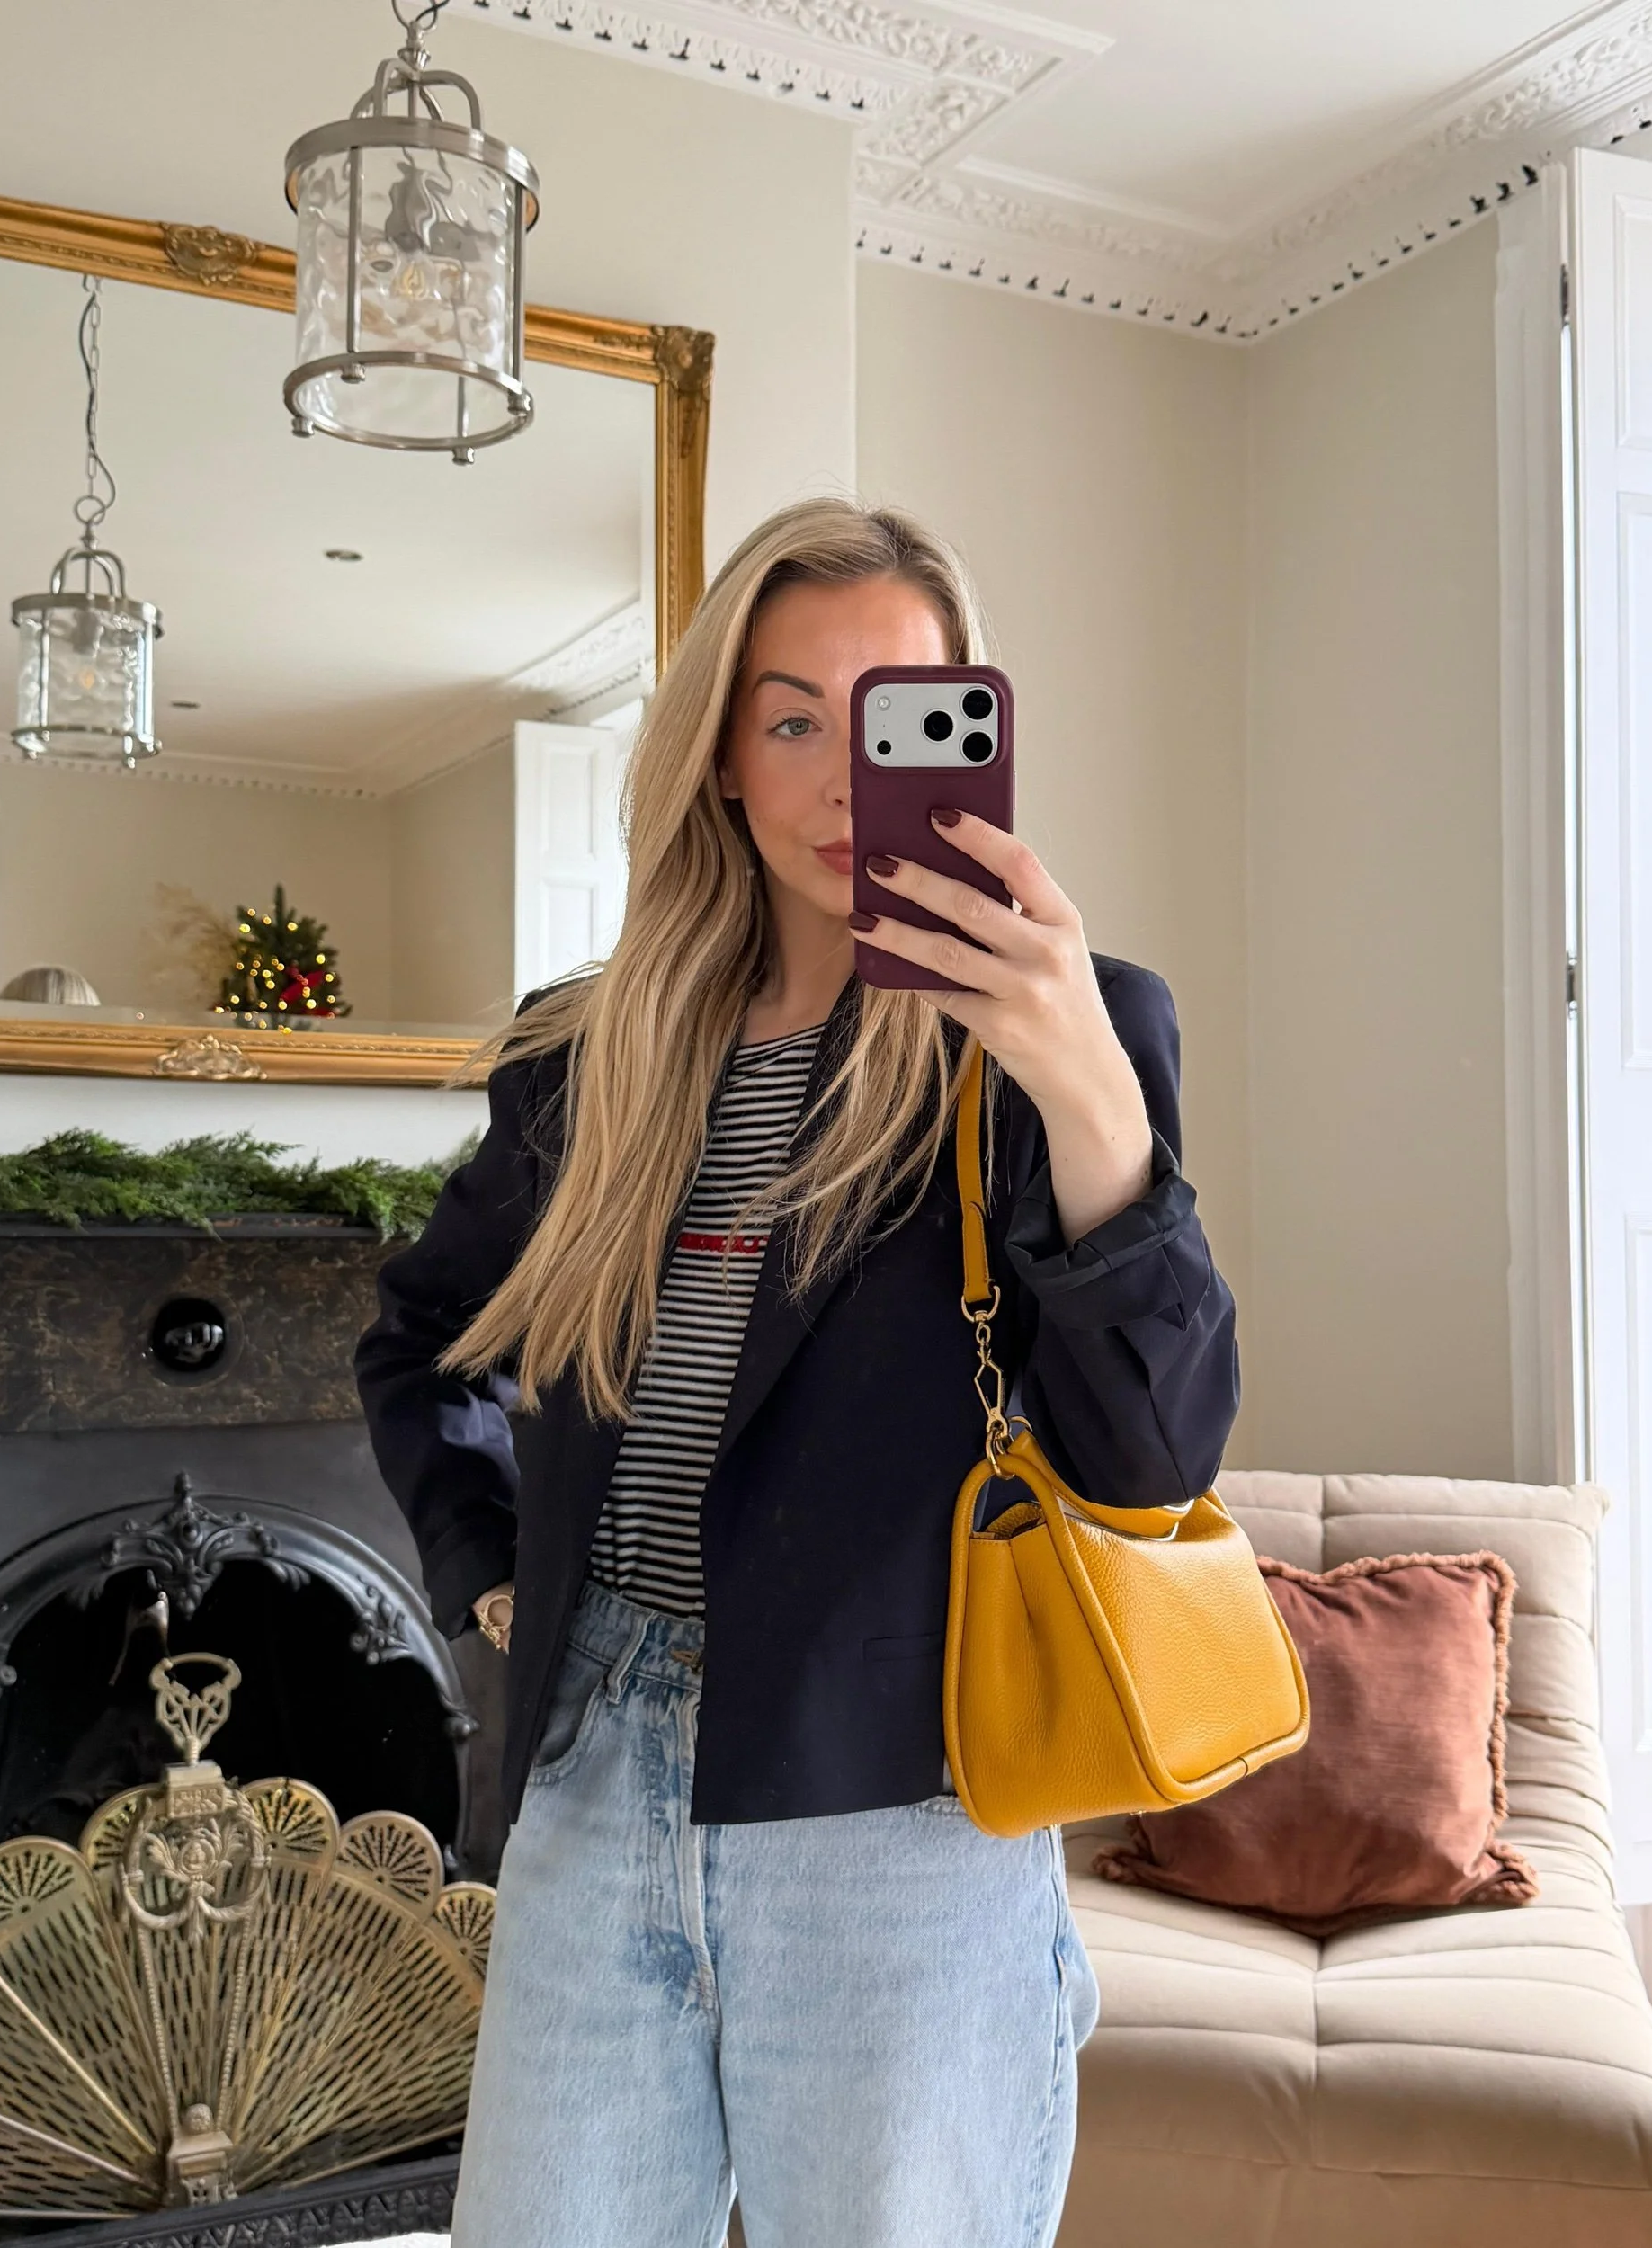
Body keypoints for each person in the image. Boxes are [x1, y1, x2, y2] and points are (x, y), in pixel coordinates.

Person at [354, 497, 1237, 2248]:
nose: (848, 778)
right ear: (719, 760)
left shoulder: (1066, 1033)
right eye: (789, 720)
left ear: (969, 736)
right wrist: (490, 1566)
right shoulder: (582, 1054)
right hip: (591, 1786)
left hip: (899, 1814)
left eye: (899, 717)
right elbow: (423, 1338)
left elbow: (1152, 1456)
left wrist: (1081, 1088)